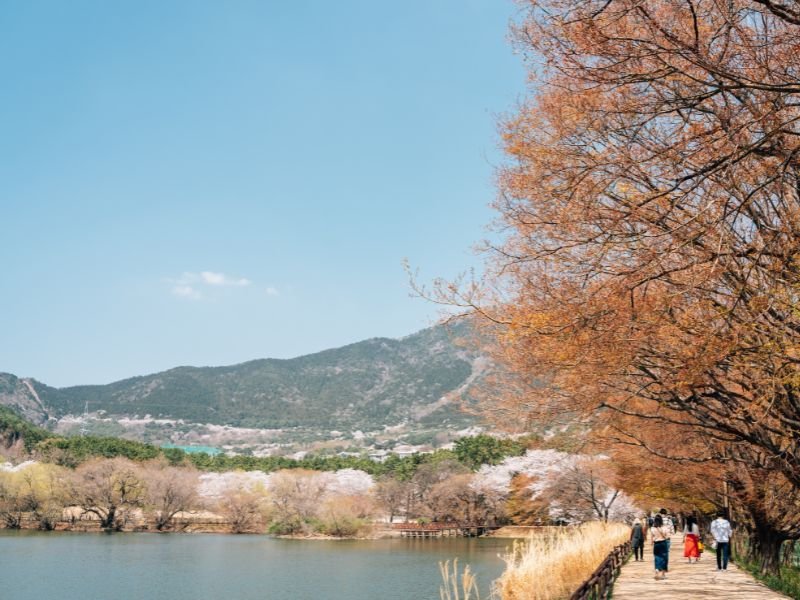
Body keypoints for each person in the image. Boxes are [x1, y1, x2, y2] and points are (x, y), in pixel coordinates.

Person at [651, 514, 670, 580]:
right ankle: (663, 574)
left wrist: (652, 541)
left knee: (656, 557)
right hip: (663, 543)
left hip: (656, 544)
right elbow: (668, 536)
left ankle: (656, 569)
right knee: (664, 558)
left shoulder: (652, 528)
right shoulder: (664, 527)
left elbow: (652, 536)